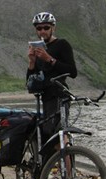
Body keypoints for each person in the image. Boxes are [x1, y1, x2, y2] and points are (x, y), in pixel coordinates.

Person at [26, 12, 77, 141]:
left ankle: (66, 160)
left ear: (53, 28)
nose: (42, 31)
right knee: (48, 135)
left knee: (60, 134)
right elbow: (31, 83)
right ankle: (53, 161)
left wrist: (49, 59)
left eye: (46, 28)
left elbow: (73, 72)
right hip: (46, 98)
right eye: (39, 28)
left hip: (60, 95)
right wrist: (32, 61)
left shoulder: (62, 44)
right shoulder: (38, 49)